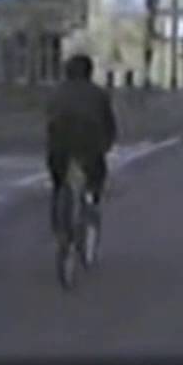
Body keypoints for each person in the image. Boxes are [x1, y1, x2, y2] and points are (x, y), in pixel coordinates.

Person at [46, 54, 117, 234]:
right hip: (90, 148)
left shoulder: (56, 92)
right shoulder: (98, 94)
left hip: (59, 148)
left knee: (59, 182)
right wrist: (108, 143)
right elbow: (109, 123)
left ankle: (59, 221)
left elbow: (49, 121)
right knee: (95, 178)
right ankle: (91, 205)